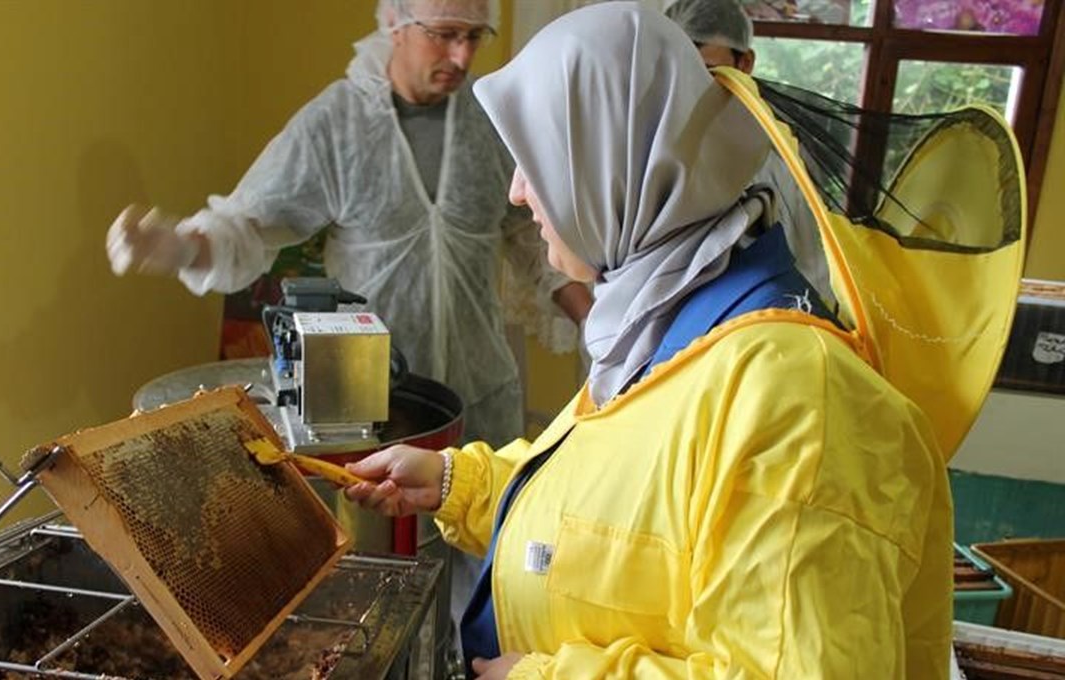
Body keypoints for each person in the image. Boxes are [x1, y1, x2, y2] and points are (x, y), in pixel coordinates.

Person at [344, 3, 955, 678]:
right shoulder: (660, 325)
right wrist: (461, 484)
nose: (518, 193)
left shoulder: (801, 404)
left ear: (610, 165)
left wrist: (540, 677)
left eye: (535, 162)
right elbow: (626, 512)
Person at [104, 0, 591, 663]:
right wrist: (179, 248)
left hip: (483, 392)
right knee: (383, 585)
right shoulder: (339, 122)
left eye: (474, 37)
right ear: (396, 22)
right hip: (375, 408)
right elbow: (250, 223)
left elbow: (533, 246)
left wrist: (605, 321)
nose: (462, 57)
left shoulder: (488, 122)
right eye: (445, 36)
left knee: (493, 565)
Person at [666, 0, 832, 305]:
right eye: (678, 70)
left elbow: (814, 266)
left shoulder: (779, 155)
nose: (692, 86)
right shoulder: (653, 148)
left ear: (745, 63)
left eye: (707, 70)